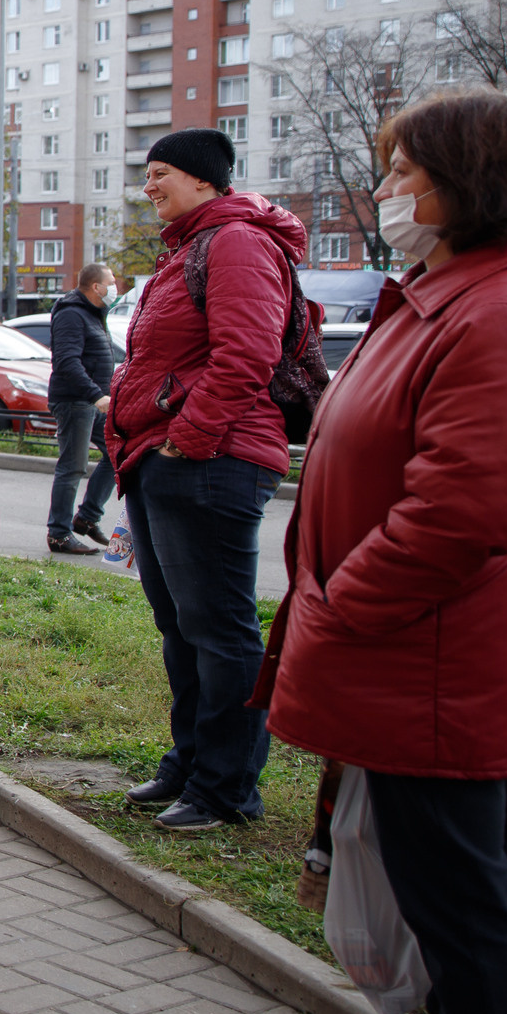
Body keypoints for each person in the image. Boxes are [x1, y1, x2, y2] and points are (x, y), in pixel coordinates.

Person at [267, 90, 507, 1014]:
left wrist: (342, 603)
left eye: (407, 170)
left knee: (458, 902)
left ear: (472, 180)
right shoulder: (458, 291)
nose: (391, 188)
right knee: (432, 890)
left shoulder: (505, 305)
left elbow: (463, 506)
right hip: (406, 651)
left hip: (424, 656)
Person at [105, 127, 305, 832]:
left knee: (219, 631)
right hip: (164, 460)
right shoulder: (187, 248)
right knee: (180, 627)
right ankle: (190, 764)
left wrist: (186, 441)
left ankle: (226, 788)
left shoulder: (238, 242)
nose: (149, 185)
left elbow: (246, 355)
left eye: (159, 172)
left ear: (202, 178)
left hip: (212, 461)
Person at [45, 262, 120, 554]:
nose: (116, 287)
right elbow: (66, 362)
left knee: (116, 453)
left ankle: (87, 517)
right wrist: (95, 395)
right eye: (111, 281)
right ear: (96, 287)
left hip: (93, 401)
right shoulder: (72, 314)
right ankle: (59, 534)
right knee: (72, 466)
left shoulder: (93, 314)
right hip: (77, 401)